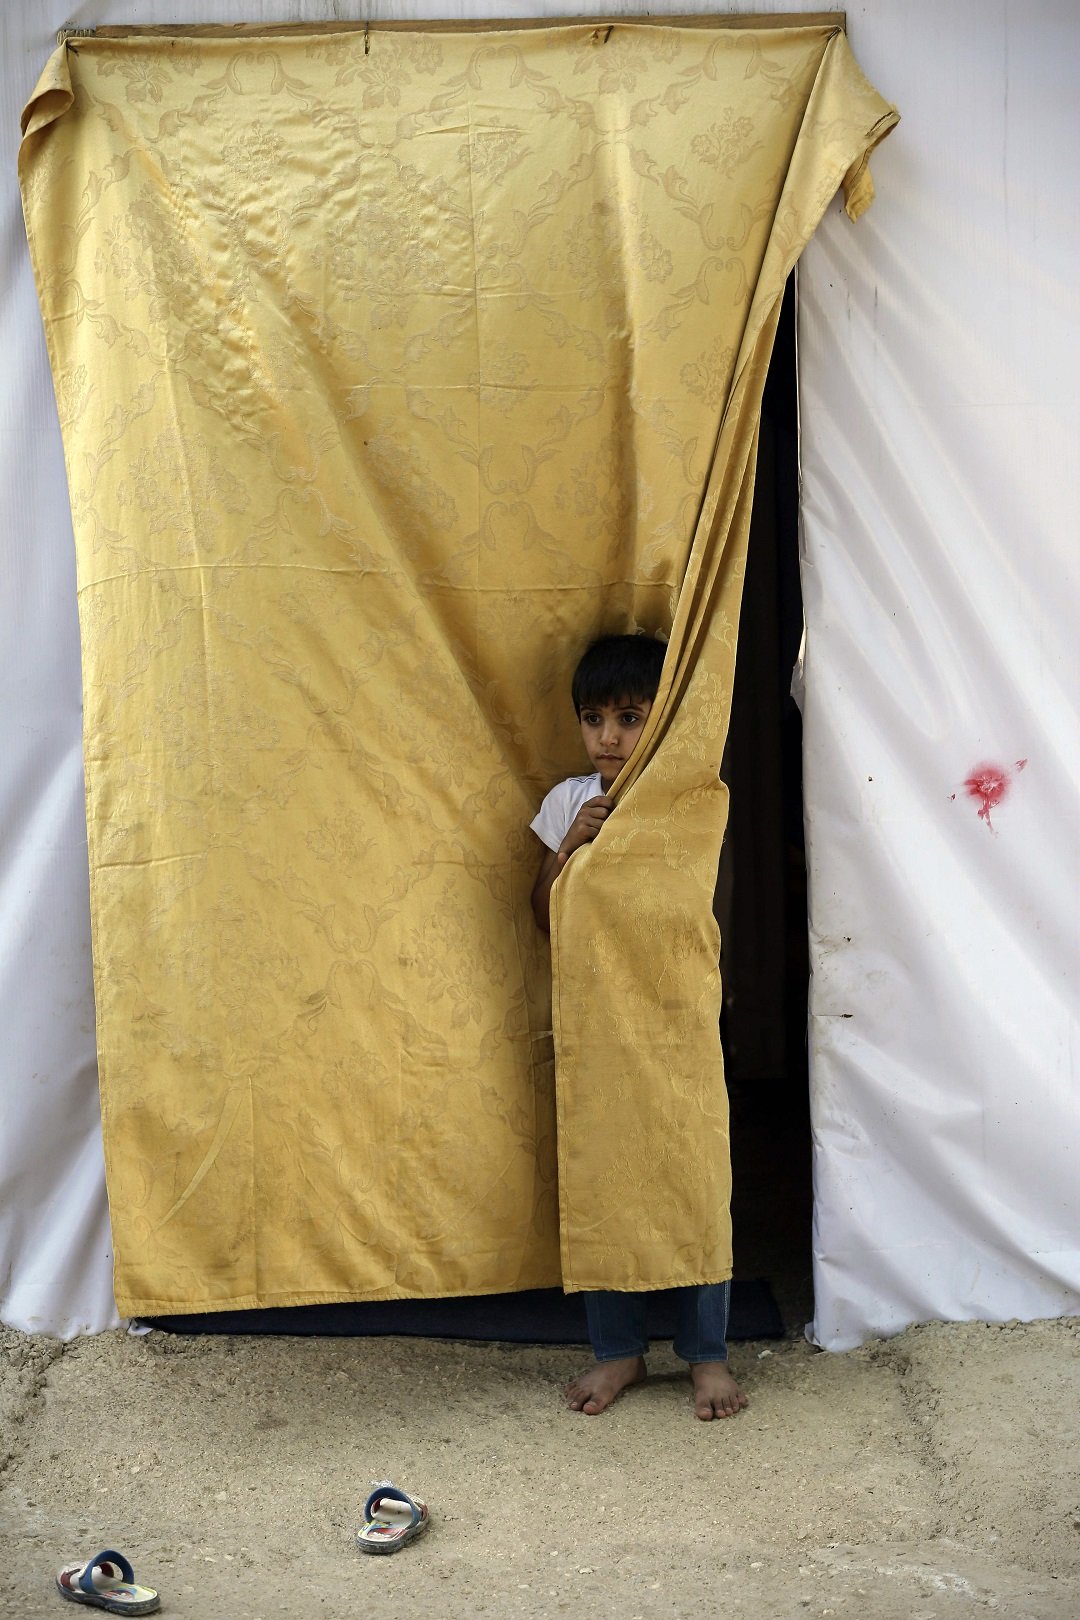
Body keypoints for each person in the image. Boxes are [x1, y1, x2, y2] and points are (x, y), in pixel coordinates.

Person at [530, 633, 749, 1421]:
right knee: (604, 1175)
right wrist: (573, 845)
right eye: (594, 718)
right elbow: (540, 915)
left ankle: (707, 1358)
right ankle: (618, 1351)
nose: (609, 737)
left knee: (694, 1178)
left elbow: (707, 911)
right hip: (596, 1030)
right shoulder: (568, 801)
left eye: (629, 716)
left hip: (677, 1019)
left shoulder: (693, 801)